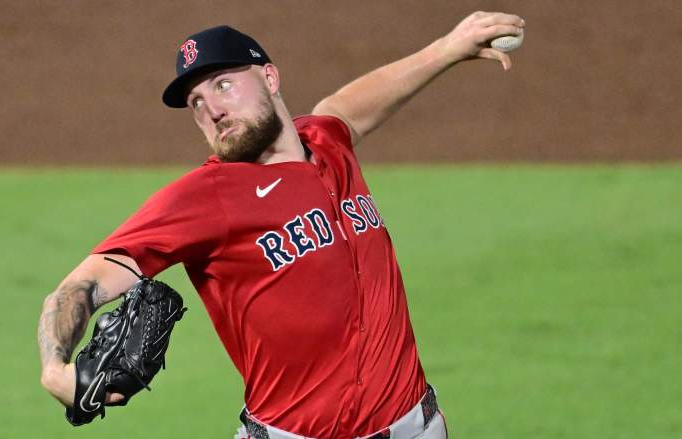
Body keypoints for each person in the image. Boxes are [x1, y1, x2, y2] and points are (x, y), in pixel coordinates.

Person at [37, 11, 524, 439]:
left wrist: (447, 49)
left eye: (224, 84)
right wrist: (55, 367)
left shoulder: (327, 143)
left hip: (417, 427)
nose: (214, 110)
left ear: (270, 77)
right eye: (197, 104)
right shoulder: (205, 197)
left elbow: (346, 107)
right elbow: (81, 285)